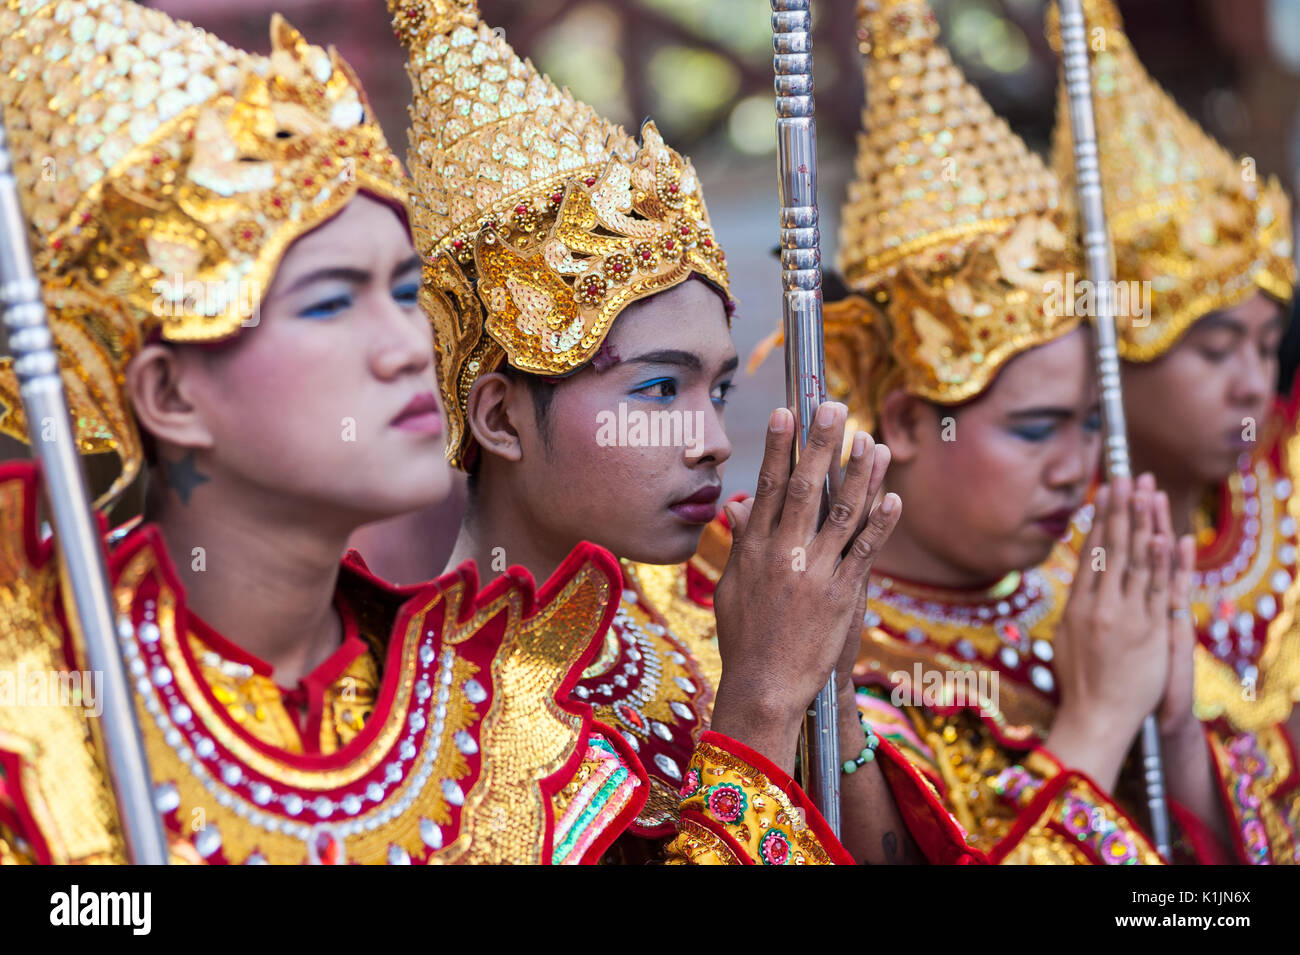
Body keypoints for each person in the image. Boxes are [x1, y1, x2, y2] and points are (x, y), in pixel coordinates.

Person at [0, 1, 648, 865]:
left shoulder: (504, 723)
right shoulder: (36, 717)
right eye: (333, 300)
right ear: (171, 395)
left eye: (406, 291)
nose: (411, 347)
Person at [383, 0, 967, 864]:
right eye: (657, 389)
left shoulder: (707, 612)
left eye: (719, 386)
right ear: (501, 416)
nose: (712, 439)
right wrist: (763, 701)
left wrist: (828, 693)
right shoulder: (426, 726)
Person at [771, 0, 1227, 864]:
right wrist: (1095, 722)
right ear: (908, 419)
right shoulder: (804, 631)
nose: (1078, 466)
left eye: (1093, 422)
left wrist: (1168, 723)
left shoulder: (1091, 592)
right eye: (1035, 429)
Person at [1049, 0, 1299, 863]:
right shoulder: (1044, 555)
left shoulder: (1290, 481)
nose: (1252, 383)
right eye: (1216, 348)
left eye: (1268, 345)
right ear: (1109, 361)